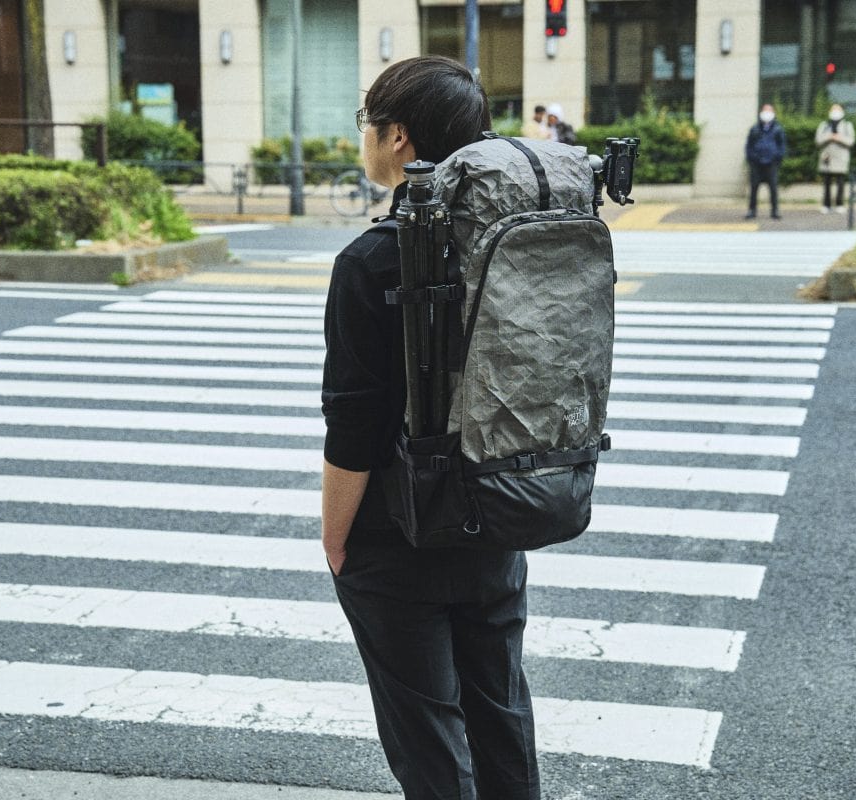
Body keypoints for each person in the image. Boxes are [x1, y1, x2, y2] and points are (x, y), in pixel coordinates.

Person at [322, 55, 541, 800]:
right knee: (500, 714)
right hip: (499, 515)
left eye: (369, 125)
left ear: (399, 139)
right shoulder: (515, 247)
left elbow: (354, 421)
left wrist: (335, 538)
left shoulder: (371, 262)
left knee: (428, 738)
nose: (367, 139)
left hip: (398, 533)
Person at [745, 103, 786, 220]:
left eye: (769, 111)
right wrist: (751, 159)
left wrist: (777, 159)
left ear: (773, 113)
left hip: (771, 163)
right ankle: (752, 210)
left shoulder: (778, 129)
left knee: (773, 188)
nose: (767, 113)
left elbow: (782, 146)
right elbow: (749, 146)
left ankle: (775, 210)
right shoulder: (755, 129)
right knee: (754, 188)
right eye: (765, 110)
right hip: (756, 164)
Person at [815, 103, 855, 214]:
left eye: (838, 109)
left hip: (841, 159)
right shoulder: (824, 125)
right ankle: (826, 204)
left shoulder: (847, 125)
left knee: (840, 183)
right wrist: (829, 136)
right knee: (826, 183)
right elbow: (818, 140)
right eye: (833, 109)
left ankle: (839, 204)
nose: (835, 112)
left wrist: (838, 138)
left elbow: (851, 141)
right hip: (827, 158)